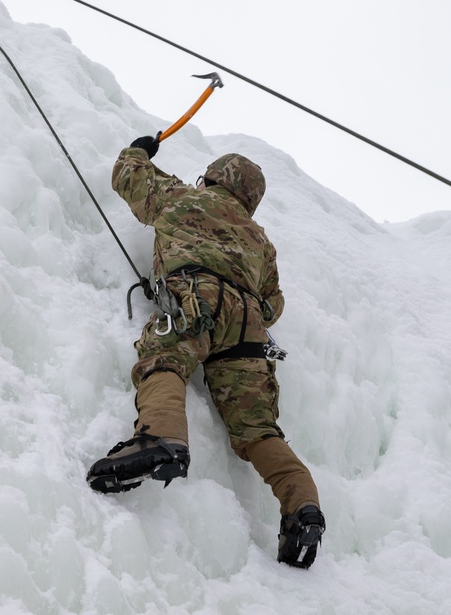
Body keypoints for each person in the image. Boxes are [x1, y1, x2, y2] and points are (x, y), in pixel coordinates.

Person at [86, 134, 326, 569]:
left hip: (194, 294)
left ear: (212, 176)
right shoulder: (260, 240)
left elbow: (127, 175)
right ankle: (302, 505)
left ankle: (160, 437)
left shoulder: (180, 197)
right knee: (257, 428)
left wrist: (140, 149)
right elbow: (274, 302)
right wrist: (248, 309)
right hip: (248, 326)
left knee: (165, 357)